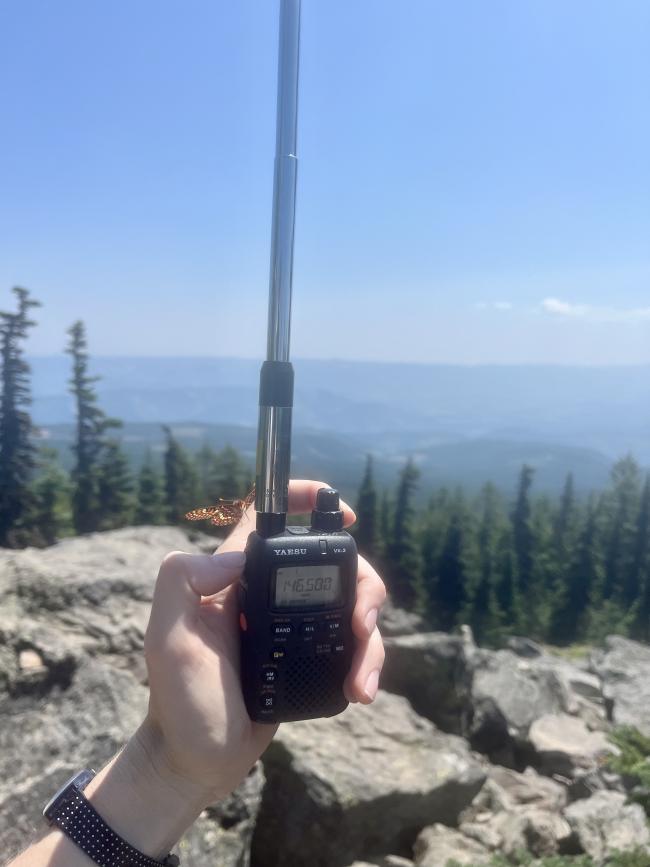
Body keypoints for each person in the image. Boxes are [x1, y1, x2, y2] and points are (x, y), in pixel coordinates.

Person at [9, 480, 387, 867]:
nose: (308, 590)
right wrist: (174, 770)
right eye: (300, 586)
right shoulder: (258, 555)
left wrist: (176, 775)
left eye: (318, 586)